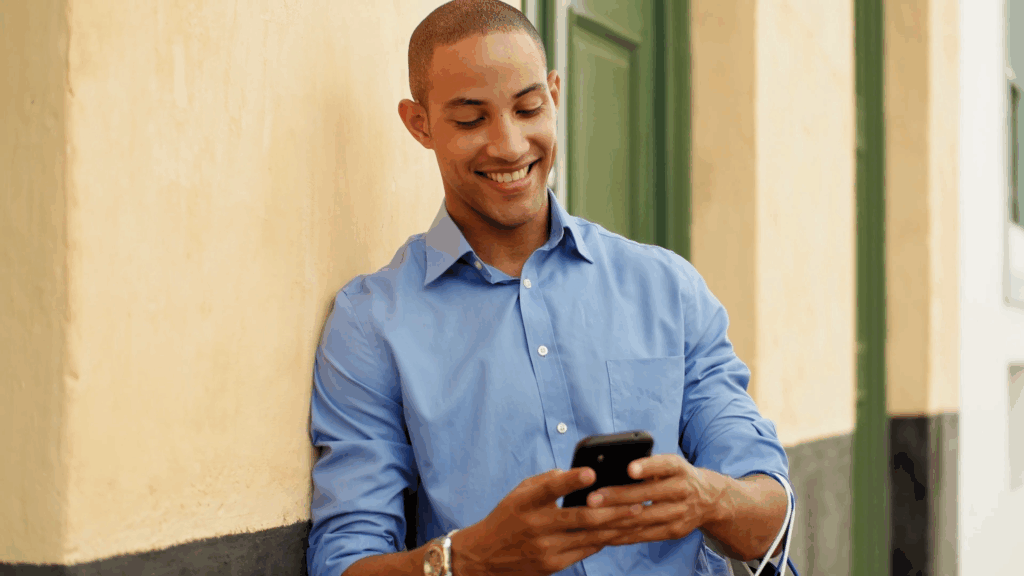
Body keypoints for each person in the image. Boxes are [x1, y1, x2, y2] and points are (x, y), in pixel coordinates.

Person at [307, 1, 792, 575]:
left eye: (528, 108)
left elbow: (768, 521)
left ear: (555, 97)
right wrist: (470, 559)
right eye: (470, 120)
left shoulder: (667, 290)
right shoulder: (370, 324)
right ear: (420, 125)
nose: (510, 145)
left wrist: (709, 498)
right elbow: (344, 562)